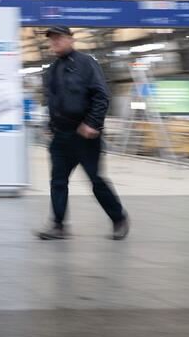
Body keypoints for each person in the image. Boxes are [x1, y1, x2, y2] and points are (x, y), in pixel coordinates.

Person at [37, 26, 130, 240]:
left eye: (59, 38)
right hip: (61, 136)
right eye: (52, 40)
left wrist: (92, 124)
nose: (55, 43)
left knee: (95, 180)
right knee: (58, 180)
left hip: (84, 135)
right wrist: (50, 127)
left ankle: (119, 219)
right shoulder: (51, 70)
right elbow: (51, 102)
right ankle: (58, 226)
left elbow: (101, 96)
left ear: (71, 39)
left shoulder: (86, 64)